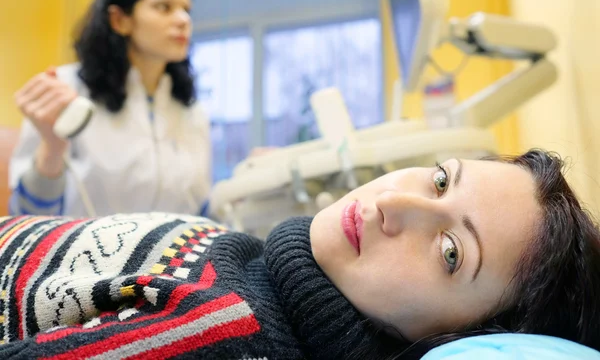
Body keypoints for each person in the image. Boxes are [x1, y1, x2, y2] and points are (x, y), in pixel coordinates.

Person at [0, 149, 598, 359]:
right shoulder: (263, 276)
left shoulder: (233, 334)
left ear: (454, 339)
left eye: (449, 253)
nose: (395, 203)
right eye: (440, 180)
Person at [9, 0, 211, 217]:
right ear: (120, 20)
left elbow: (202, 208)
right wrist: (52, 146)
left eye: (186, 10)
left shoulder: (191, 110)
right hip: (85, 254)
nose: (183, 20)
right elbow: (25, 217)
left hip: (175, 254)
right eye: (164, 7)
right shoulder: (65, 91)